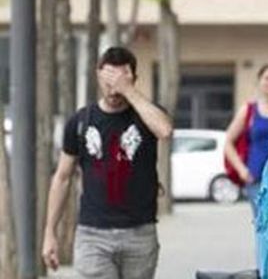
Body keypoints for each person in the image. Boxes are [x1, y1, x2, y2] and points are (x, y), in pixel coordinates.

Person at [41, 46, 173, 279]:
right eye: (108, 79)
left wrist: (129, 91)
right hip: (93, 235)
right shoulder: (80, 121)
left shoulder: (145, 115)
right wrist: (50, 232)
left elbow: (164, 130)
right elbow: (62, 177)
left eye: (120, 79)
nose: (114, 88)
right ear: (98, 76)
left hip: (140, 233)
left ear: (133, 79)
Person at [224, 63, 268, 210]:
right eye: (267, 78)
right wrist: (242, 170)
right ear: (259, 81)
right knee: (263, 223)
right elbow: (228, 142)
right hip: (257, 177)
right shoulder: (249, 110)